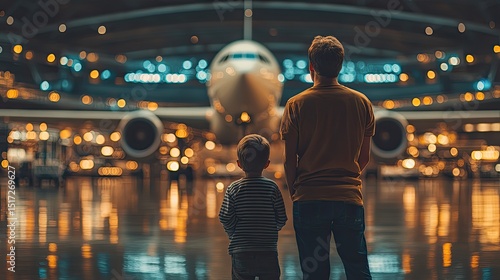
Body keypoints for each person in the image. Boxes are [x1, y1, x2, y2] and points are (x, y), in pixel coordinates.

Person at [280, 35, 374, 279]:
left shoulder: (295, 105)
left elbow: (290, 161)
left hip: (309, 198)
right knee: (358, 270)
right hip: (349, 198)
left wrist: (296, 192)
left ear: (311, 66)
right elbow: (363, 158)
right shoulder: (361, 103)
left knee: (315, 273)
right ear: (340, 65)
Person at [219, 134, 287, 280]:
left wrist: (233, 233)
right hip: (268, 251)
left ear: (239, 164)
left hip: (241, 251)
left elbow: (225, 217)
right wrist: (270, 228)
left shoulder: (233, 188)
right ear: (266, 164)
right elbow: (281, 217)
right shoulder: (272, 188)